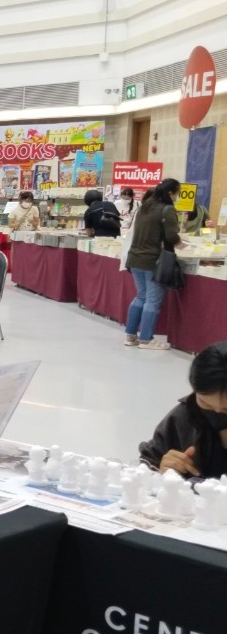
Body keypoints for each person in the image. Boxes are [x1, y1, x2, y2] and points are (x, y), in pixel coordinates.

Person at [139, 341, 227, 479]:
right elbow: (149, 462)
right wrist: (163, 470)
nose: (217, 411)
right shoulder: (183, 416)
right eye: (205, 403)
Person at [124, 177, 183, 350]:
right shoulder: (167, 209)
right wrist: (183, 245)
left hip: (135, 257)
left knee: (141, 296)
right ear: (171, 193)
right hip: (154, 260)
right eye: (177, 193)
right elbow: (171, 236)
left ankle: (130, 335)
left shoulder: (144, 207)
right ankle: (146, 339)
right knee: (152, 300)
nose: (178, 196)